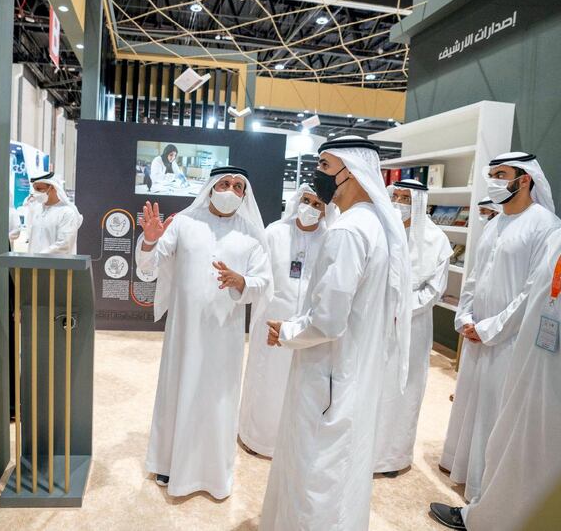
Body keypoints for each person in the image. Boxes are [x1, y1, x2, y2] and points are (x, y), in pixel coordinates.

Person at [262, 136, 412, 530]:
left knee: (316, 474)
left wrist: (287, 331)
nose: (318, 176)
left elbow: (328, 320)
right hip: (349, 374)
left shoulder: (348, 231)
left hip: (328, 377)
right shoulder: (373, 225)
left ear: (353, 172)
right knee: (338, 473)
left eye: (325, 167)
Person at [136, 166, 271, 499]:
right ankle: (169, 464)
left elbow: (264, 282)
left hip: (224, 337)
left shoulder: (253, 234)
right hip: (185, 332)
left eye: (238, 186)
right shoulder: (184, 223)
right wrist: (150, 241)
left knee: (217, 399)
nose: (230, 190)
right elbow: (149, 268)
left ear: (244, 194)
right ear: (210, 187)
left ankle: (211, 475)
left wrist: (243, 282)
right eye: (224, 183)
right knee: (178, 390)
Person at [440, 152, 560, 503]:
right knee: (471, 406)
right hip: (478, 333)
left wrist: (491, 327)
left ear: (525, 180)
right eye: (490, 174)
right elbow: (475, 276)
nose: (493, 181)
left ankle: (485, 492)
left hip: (509, 341)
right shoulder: (495, 223)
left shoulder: (545, 225)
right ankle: (461, 471)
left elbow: (532, 293)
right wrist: (465, 317)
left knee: (496, 413)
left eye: (501, 174)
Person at [429, 228, 561, 530]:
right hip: (533, 363)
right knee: (513, 440)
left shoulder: (544, 228)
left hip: (538, 368)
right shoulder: (556, 238)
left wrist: (491, 329)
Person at [238, 184, 327, 458]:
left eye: (317, 204)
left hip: (306, 328)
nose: (309, 208)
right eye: (306, 200)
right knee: (267, 380)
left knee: (302, 386)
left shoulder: (331, 239)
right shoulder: (275, 233)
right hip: (271, 321)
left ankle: (294, 444)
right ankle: (257, 437)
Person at [374, 179, 452, 477]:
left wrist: (402, 309)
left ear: (419, 202)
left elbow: (434, 289)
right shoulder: (382, 231)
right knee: (374, 384)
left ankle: (393, 457)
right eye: (398, 195)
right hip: (377, 320)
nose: (401, 202)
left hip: (413, 325)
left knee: (404, 390)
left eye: (407, 197)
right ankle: (364, 451)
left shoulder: (437, 239)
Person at [23, 171, 83, 254]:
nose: (35, 193)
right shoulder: (36, 209)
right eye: (34, 189)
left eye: (39, 189)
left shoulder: (67, 213)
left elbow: (64, 245)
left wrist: (40, 256)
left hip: (57, 265)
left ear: (52, 187)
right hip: (33, 264)